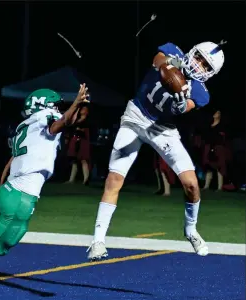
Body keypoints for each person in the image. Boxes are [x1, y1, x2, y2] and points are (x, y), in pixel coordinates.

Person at [87, 41, 225, 260]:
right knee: (114, 179)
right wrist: (171, 65)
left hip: (163, 129)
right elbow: (158, 61)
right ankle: (97, 241)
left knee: (191, 183)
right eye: (198, 58)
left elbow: (188, 106)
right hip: (135, 116)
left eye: (205, 65)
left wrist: (182, 106)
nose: (198, 65)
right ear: (192, 51)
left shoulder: (201, 93)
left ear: (210, 73)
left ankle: (190, 230)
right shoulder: (173, 51)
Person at [0, 85, 89, 271]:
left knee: (3, 232)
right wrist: (76, 102)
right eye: (56, 106)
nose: (58, 109)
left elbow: (10, 161)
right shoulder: (45, 118)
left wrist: (0, 189)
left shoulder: (26, 127)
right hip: (23, 195)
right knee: (3, 244)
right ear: (46, 105)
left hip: (8, 191)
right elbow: (59, 124)